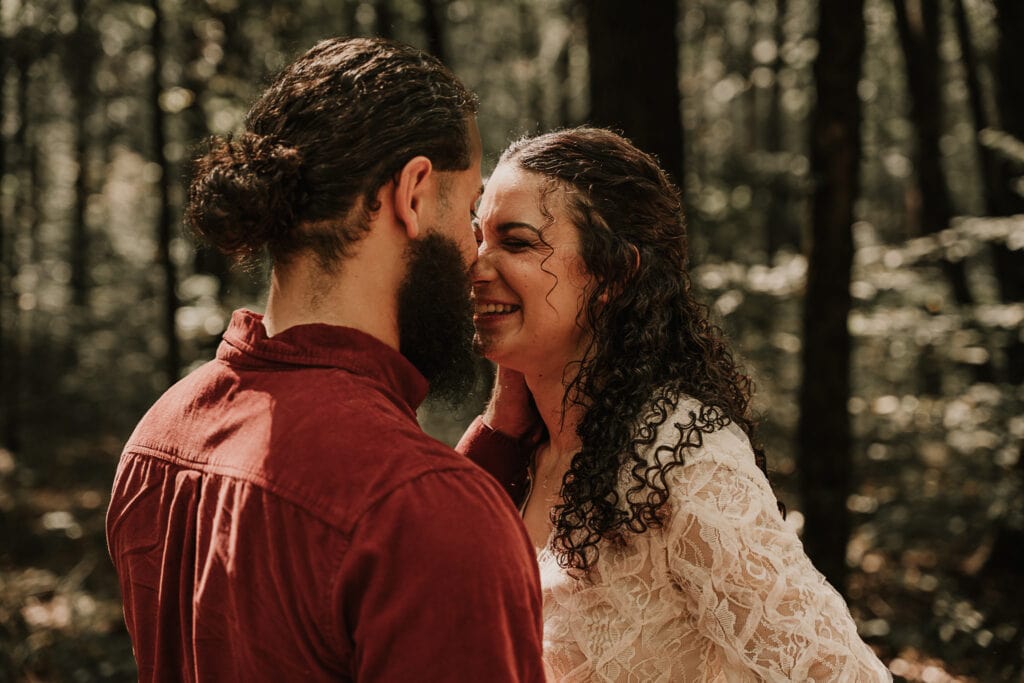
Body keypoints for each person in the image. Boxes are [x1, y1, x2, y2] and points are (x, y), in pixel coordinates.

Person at [105, 38, 545, 682]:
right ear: (414, 194)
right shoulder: (424, 512)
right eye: (471, 208)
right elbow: (394, 519)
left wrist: (498, 441)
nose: (475, 251)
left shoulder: (160, 435)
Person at [458, 127, 892, 682]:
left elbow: (840, 674)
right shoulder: (531, 447)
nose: (477, 265)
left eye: (515, 242)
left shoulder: (681, 456)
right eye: (478, 239)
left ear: (614, 273)